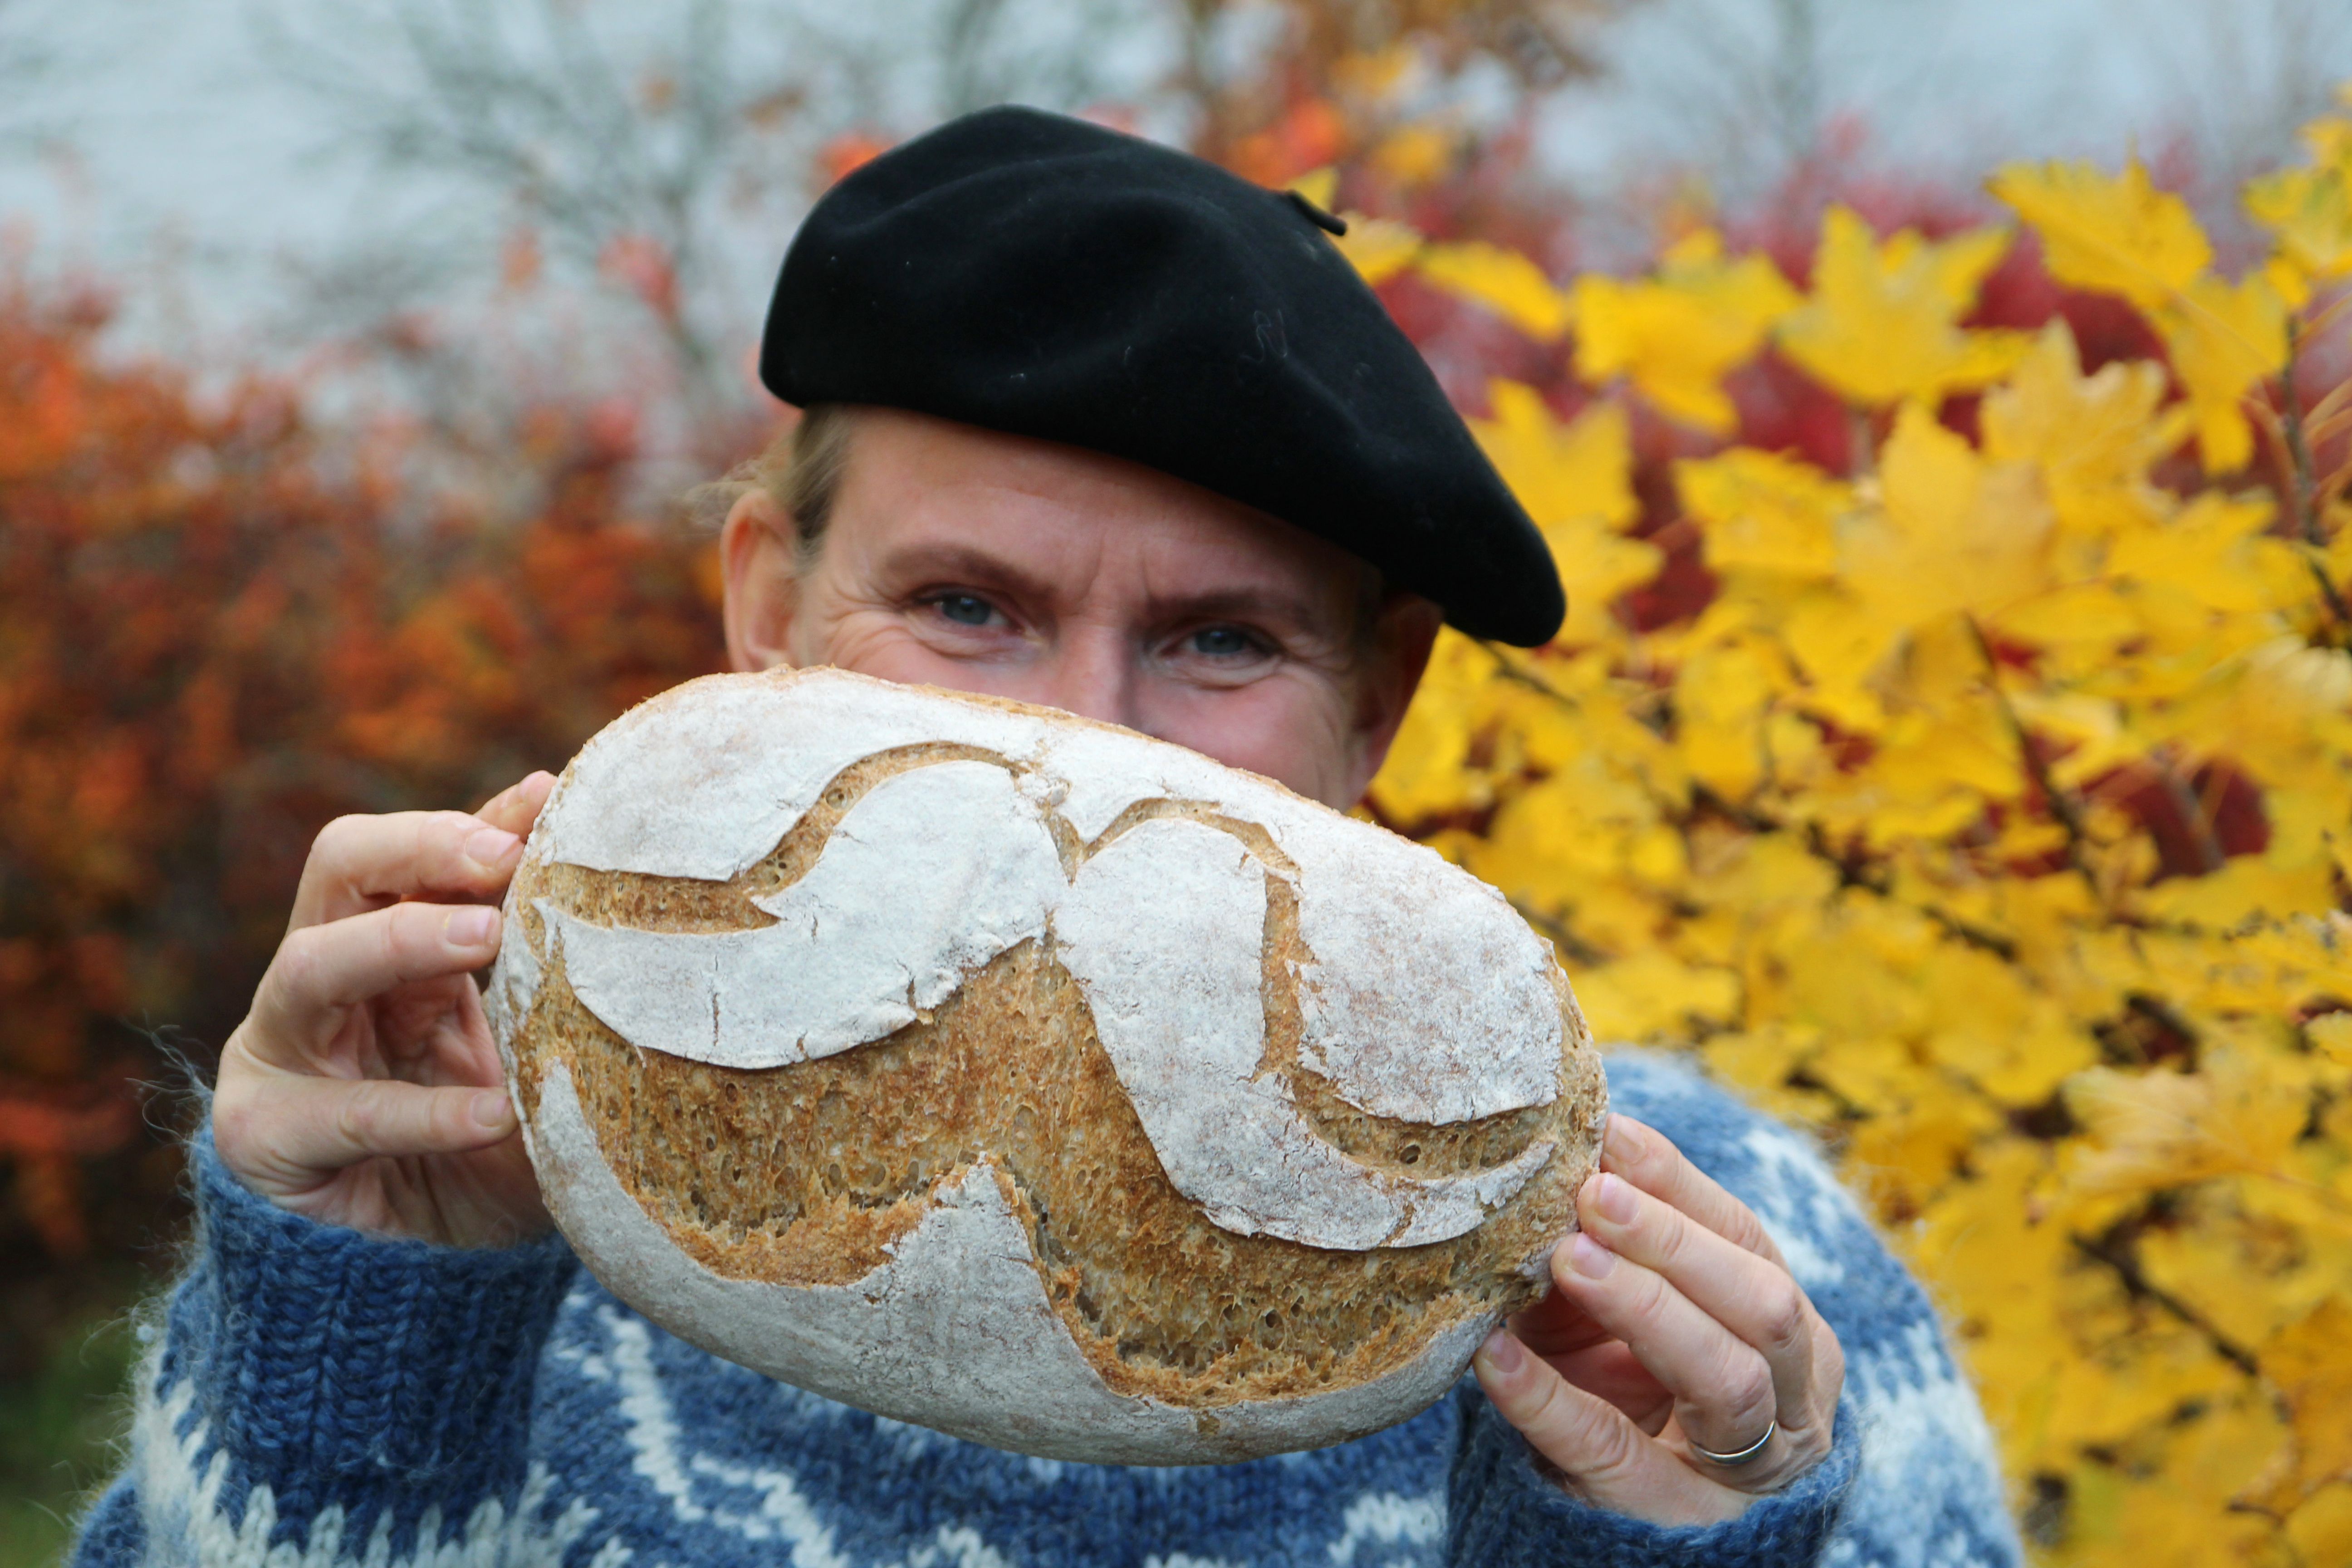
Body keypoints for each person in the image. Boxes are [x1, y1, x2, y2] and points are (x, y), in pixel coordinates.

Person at [74, 108, 2021, 1568]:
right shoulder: (491, 1151)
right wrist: (353, 1342)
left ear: (1379, 709)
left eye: (1219, 639)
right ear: (767, 615)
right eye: (968, 604)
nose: (1079, 728)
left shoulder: (1702, 1285)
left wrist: (1680, 1539)